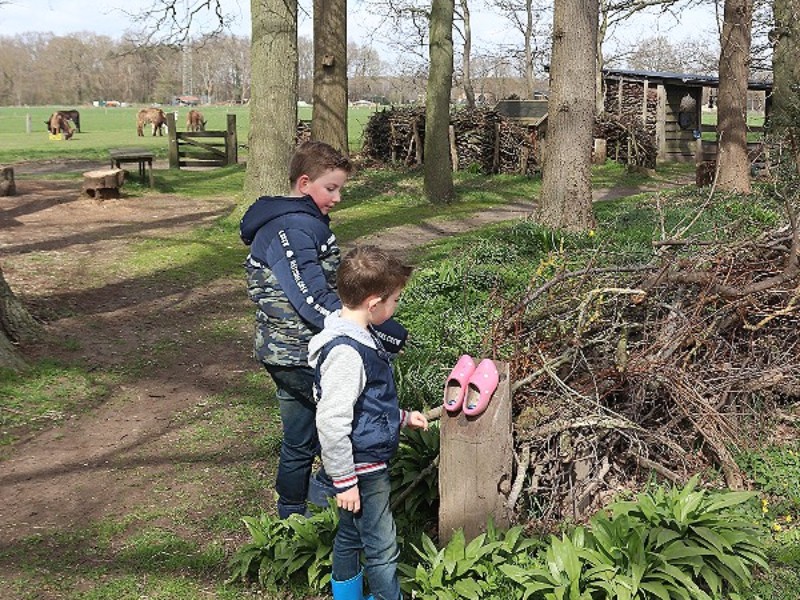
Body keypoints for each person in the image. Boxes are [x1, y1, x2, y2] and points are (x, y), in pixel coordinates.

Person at [240, 141, 408, 519]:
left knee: (299, 438)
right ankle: (327, 499)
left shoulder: (300, 222)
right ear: (304, 183)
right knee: (351, 420)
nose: (338, 198)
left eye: (340, 189)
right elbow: (312, 299)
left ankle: (291, 519)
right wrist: (378, 330)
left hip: (286, 352)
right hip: (298, 354)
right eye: (331, 188)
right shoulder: (292, 228)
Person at [308, 245, 428, 600]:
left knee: (351, 535)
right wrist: (345, 481)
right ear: (374, 304)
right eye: (395, 301)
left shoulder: (359, 335)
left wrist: (402, 418)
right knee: (382, 546)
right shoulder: (347, 353)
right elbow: (332, 421)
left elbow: (366, 404)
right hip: (362, 468)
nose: (396, 307)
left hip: (359, 461)